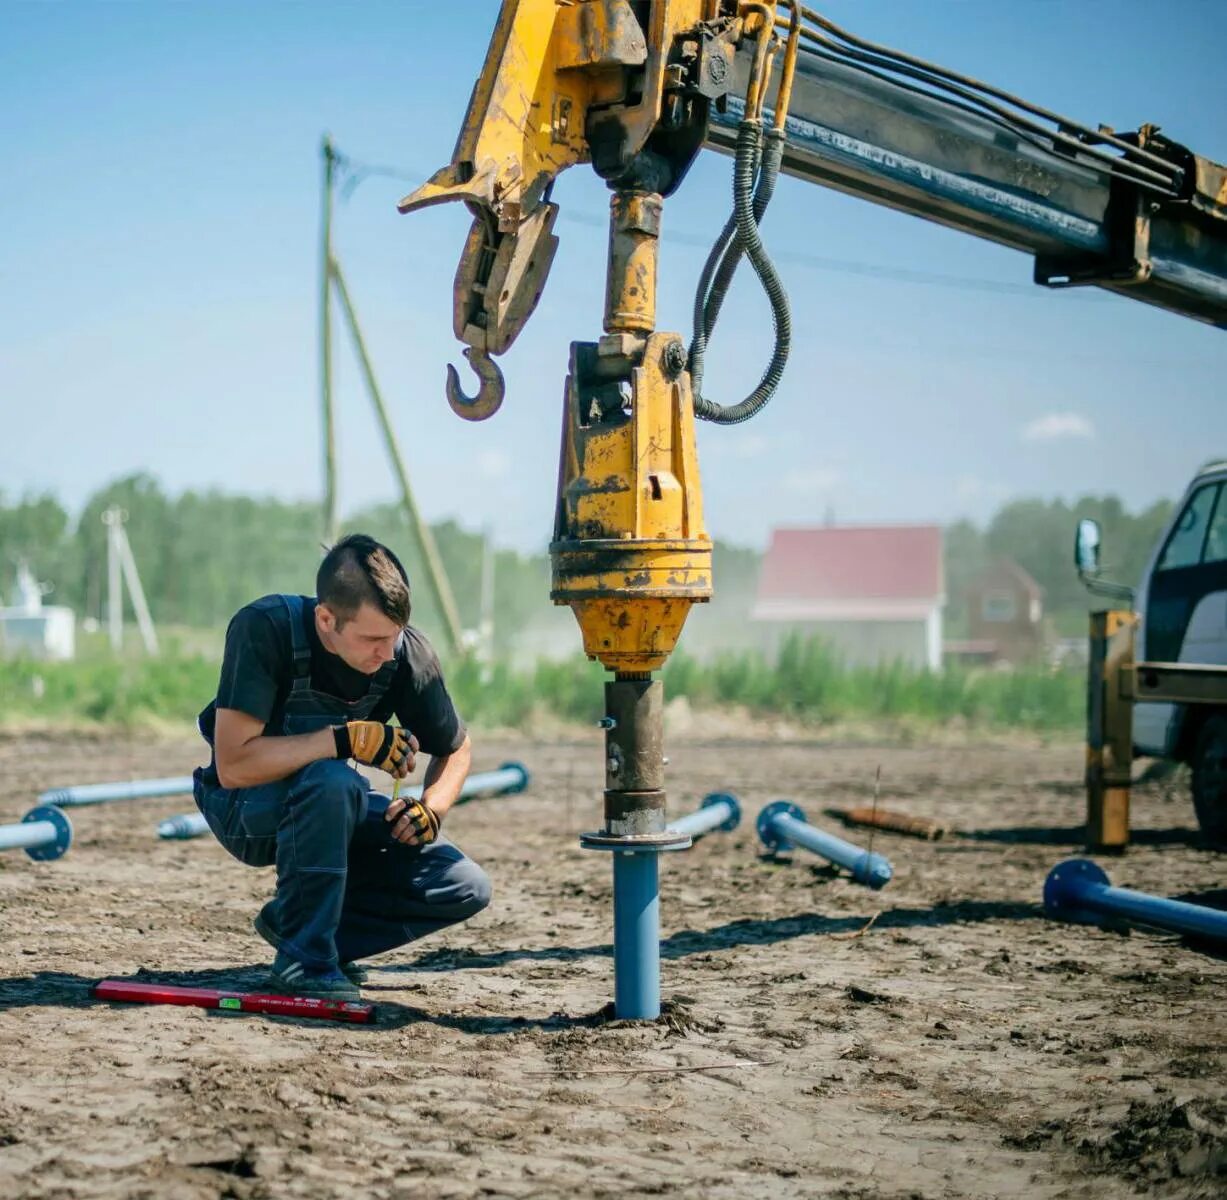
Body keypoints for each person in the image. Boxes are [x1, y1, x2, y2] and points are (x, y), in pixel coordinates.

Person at [192, 533, 490, 1000]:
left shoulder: (406, 655)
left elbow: (457, 748)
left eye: (393, 637)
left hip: (333, 804)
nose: (387, 653)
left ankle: (302, 927)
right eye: (372, 639)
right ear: (326, 619)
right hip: (244, 808)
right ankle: (303, 960)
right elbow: (233, 765)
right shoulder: (264, 628)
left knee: (461, 884)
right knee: (334, 779)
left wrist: (431, 808)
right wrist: (342, 739)